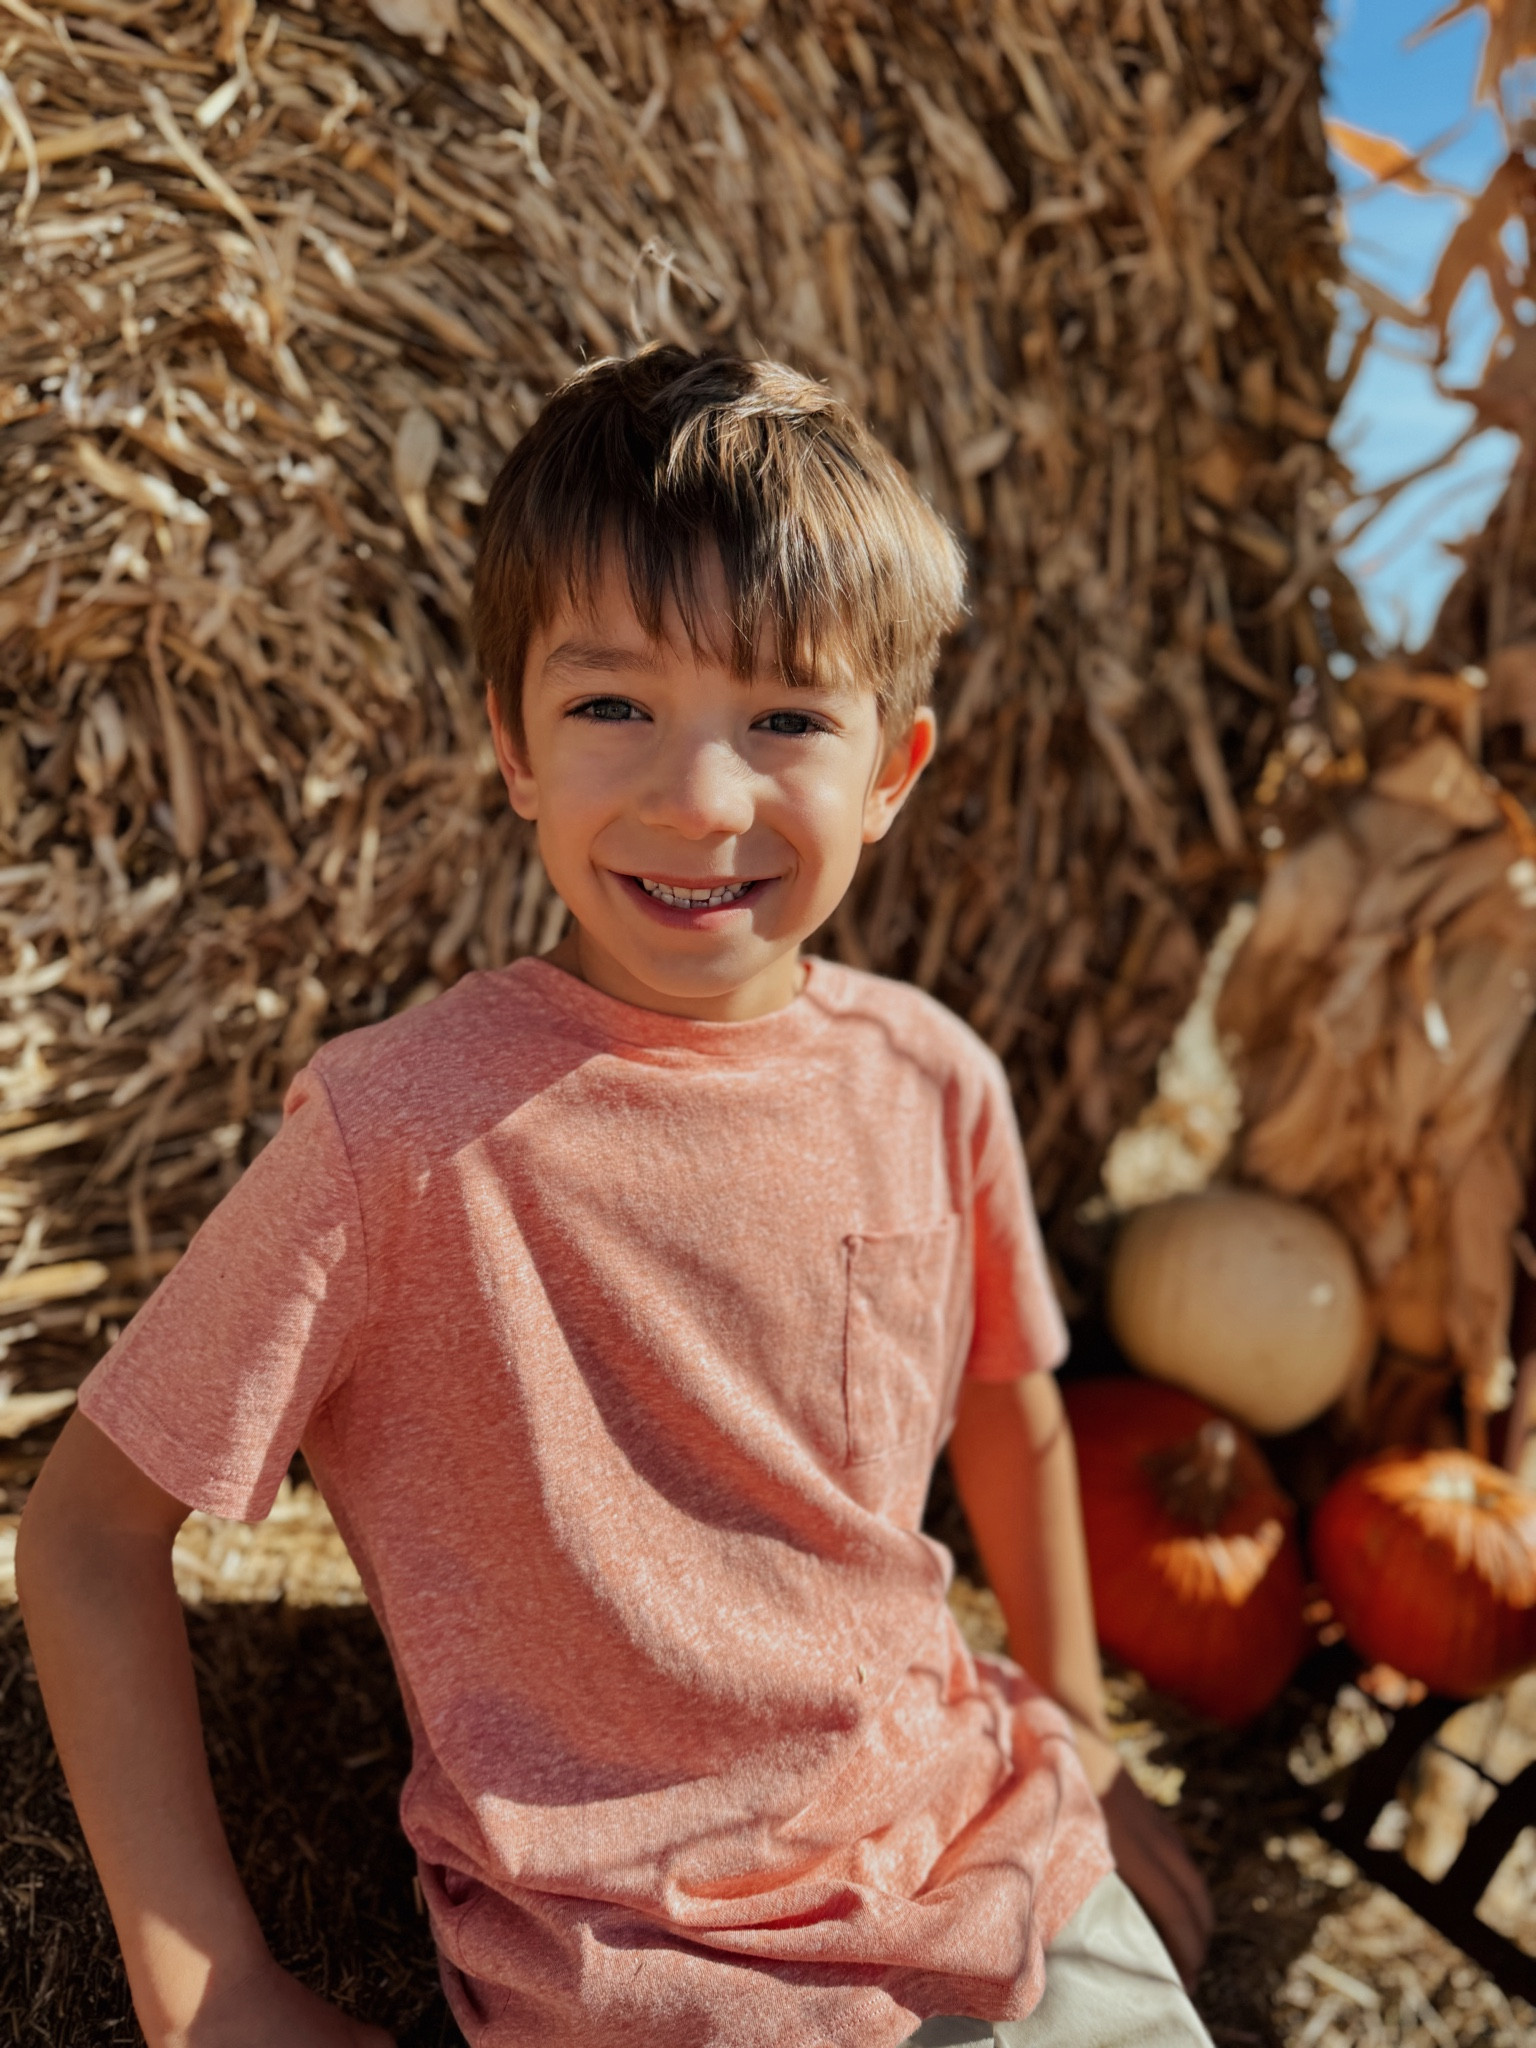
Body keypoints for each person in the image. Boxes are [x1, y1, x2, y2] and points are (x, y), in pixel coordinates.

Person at [18, 347, 1213, 2048]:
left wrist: (1080, 1723)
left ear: (895, 768)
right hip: (651, 1972)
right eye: (611, 707)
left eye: (787, 717)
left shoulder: (937, 1081)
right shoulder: (400, 1135)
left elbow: (1011, 1409)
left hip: (988, 1855)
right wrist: (205, 1992)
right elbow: (83, 1534)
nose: (699, 797)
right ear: (511, 743)